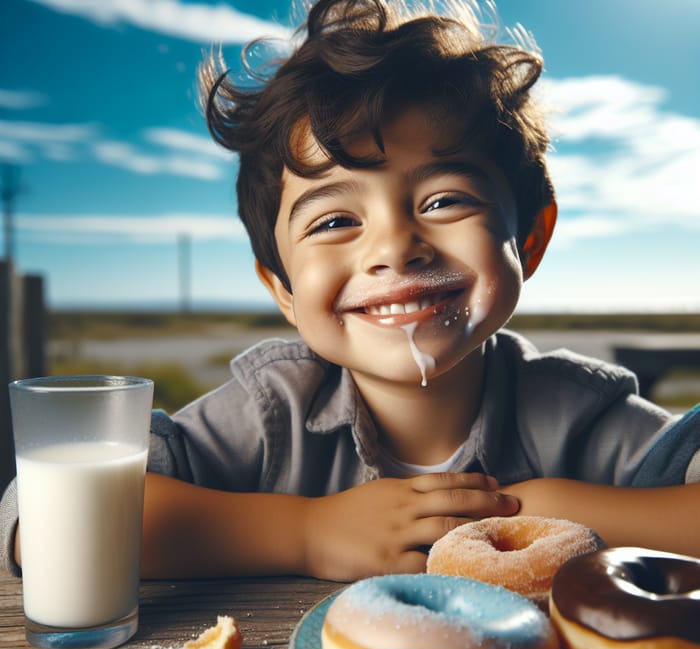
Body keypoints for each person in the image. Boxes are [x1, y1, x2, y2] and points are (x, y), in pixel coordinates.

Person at [2, 0, 700, 581]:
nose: (395, 246)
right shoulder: (273, 410)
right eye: (336, 220)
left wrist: (542, 507)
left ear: (531, 240)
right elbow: (40, 525)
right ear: (280, 287)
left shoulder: (577, 411)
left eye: (445, 201)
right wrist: (302, 532)